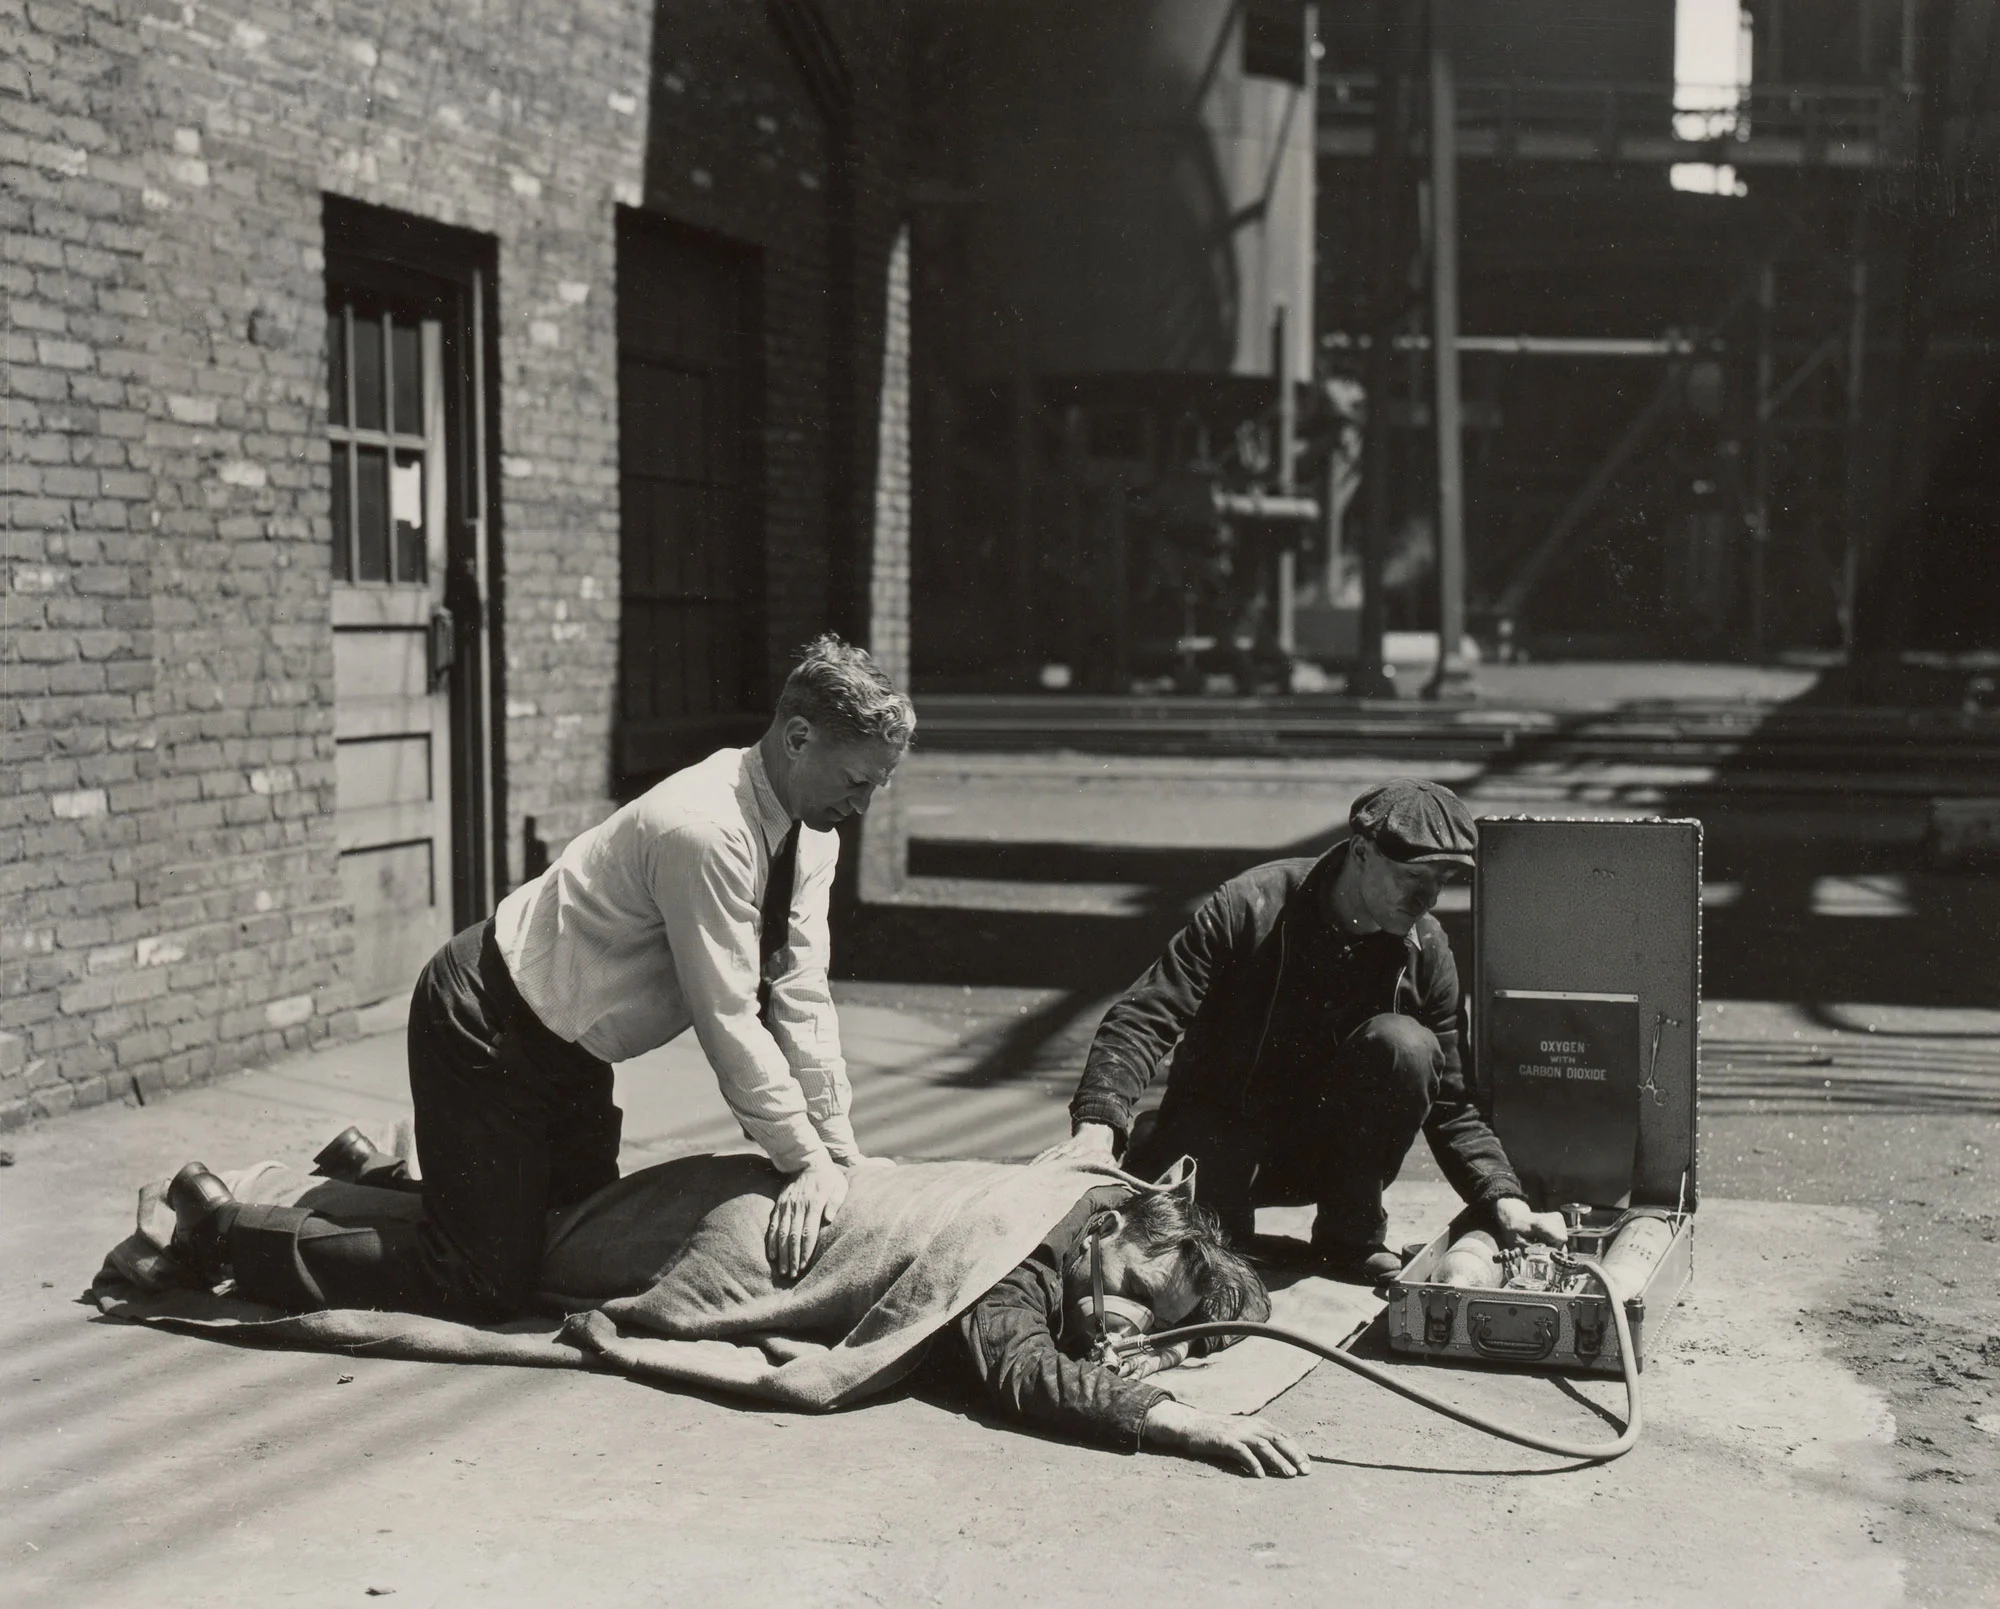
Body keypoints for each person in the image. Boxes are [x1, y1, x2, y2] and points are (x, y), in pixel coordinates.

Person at [166, 634, 914, 1319]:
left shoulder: (811, 835)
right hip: (485, 1021)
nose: (862, 804)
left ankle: (382, 1178)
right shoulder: (707, 830)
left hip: (569, 1049)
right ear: (797, 737)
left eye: (876, 785)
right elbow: (727, 1021)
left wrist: (839, 1152)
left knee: (575, 1245)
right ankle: (224, 1233)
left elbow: (801, 996)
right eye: (857, 779)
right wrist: (804, 1158)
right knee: (482, 1281)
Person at [1040, 778, 1568, 1279]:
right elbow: (1143, 1017)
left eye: (1439, 883)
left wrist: (1505, 1199)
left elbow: (1454, 1106)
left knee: (1406, 1045)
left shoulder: (1426, 950)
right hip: (1218, 1145)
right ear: (1360, 853)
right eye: (1412, 879)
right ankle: (1211, 1212)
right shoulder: (1249, 906)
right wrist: (1097, 1128)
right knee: (1210, 1269)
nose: (1427, 900)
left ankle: (1349, 1236)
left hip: (1322, 1162)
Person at [949, 1180, 1311, 1478]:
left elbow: (1247, 1293)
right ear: (1105, 1229)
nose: (1134, 1322)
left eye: (1160, 1321)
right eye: (1137, 1291)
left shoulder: (1139, 1233)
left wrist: (1174, 1348)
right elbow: (1023, 1366)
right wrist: (1180, 1421)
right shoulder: (1026, 1251)